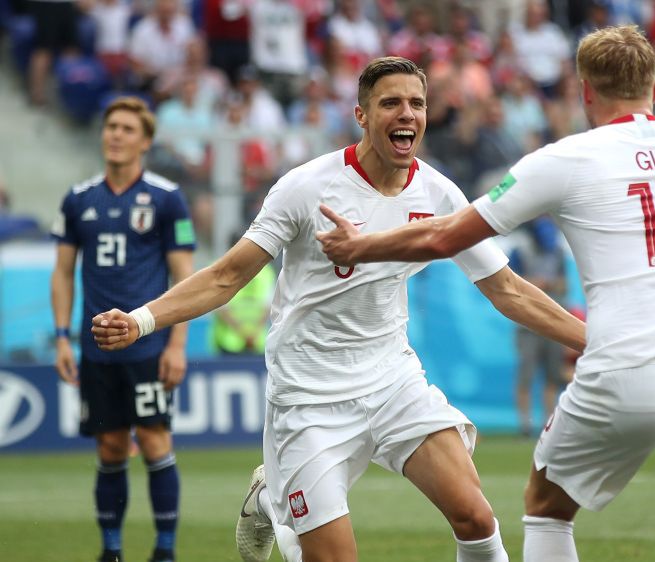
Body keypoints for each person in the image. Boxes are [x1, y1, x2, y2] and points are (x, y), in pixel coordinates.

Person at [316, 25, 655, 562]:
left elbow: (445, 234)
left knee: (547, 506)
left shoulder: (565, 159)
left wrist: (361, 246)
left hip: (624, 365)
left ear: (584, 91)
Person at [91, 57, 586, 562]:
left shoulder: (438, 194)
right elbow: (227, 275)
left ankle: (279, 496)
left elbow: (507, 289)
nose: (407, 113)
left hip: (392, 380)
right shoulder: (306, 187)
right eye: (390, 102)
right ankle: (269, 498)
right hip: (308, 397)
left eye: (417, 103)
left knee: (477, 519)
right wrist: (140, 320)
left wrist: (593, 342)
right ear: (362, 115)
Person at [50, 96, 196, 562]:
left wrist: (176, 344)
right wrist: (61, 337)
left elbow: (186, 279)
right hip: (97, 352)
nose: (115, 134)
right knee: (111, 445)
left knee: (154, 440)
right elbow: (62, 273)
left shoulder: (167, 197)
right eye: (111, 126)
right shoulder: (78, 199)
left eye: (127, 129)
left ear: (146, 141)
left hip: (148, 348)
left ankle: (165, 551)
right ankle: (111, 551)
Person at [508, 216, 569, 436]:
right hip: (527, 324)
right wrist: (536, 283)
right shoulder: (520, 251)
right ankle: (525, 425)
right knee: (526, 374)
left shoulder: (558, 252)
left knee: (553, 376)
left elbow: (564, 285)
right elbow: (510, 283)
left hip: (553, 321)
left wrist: (549, 283)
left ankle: (548, 424)